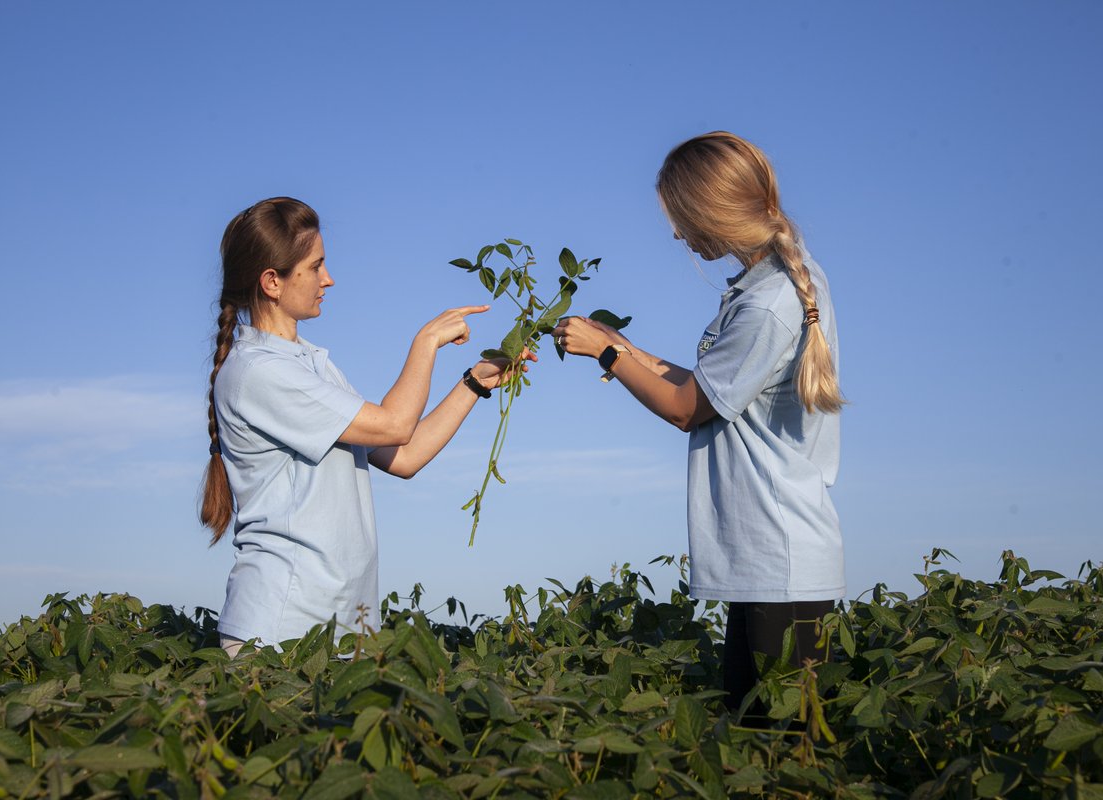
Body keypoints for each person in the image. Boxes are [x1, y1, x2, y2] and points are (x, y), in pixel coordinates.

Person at [552, 132, 844, 715]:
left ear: (712, 211)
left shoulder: (768, 303)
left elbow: (686, 408)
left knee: (779, 755)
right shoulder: (770, 285)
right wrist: (624, 346)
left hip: (778, 563)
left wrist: (606, 356)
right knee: (761, 748)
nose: (678, 234)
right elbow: (710, 387)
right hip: (768, 562)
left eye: (681, 218)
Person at [199, 197, 531, 656]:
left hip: (340, 630)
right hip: (280, 633)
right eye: (315, 267)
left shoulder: (312, 366)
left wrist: (474, 383)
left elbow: (404, 455)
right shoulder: (259, 372)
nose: (328, 279)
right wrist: (427, 341)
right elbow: (395, 425)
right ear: (272, 282)